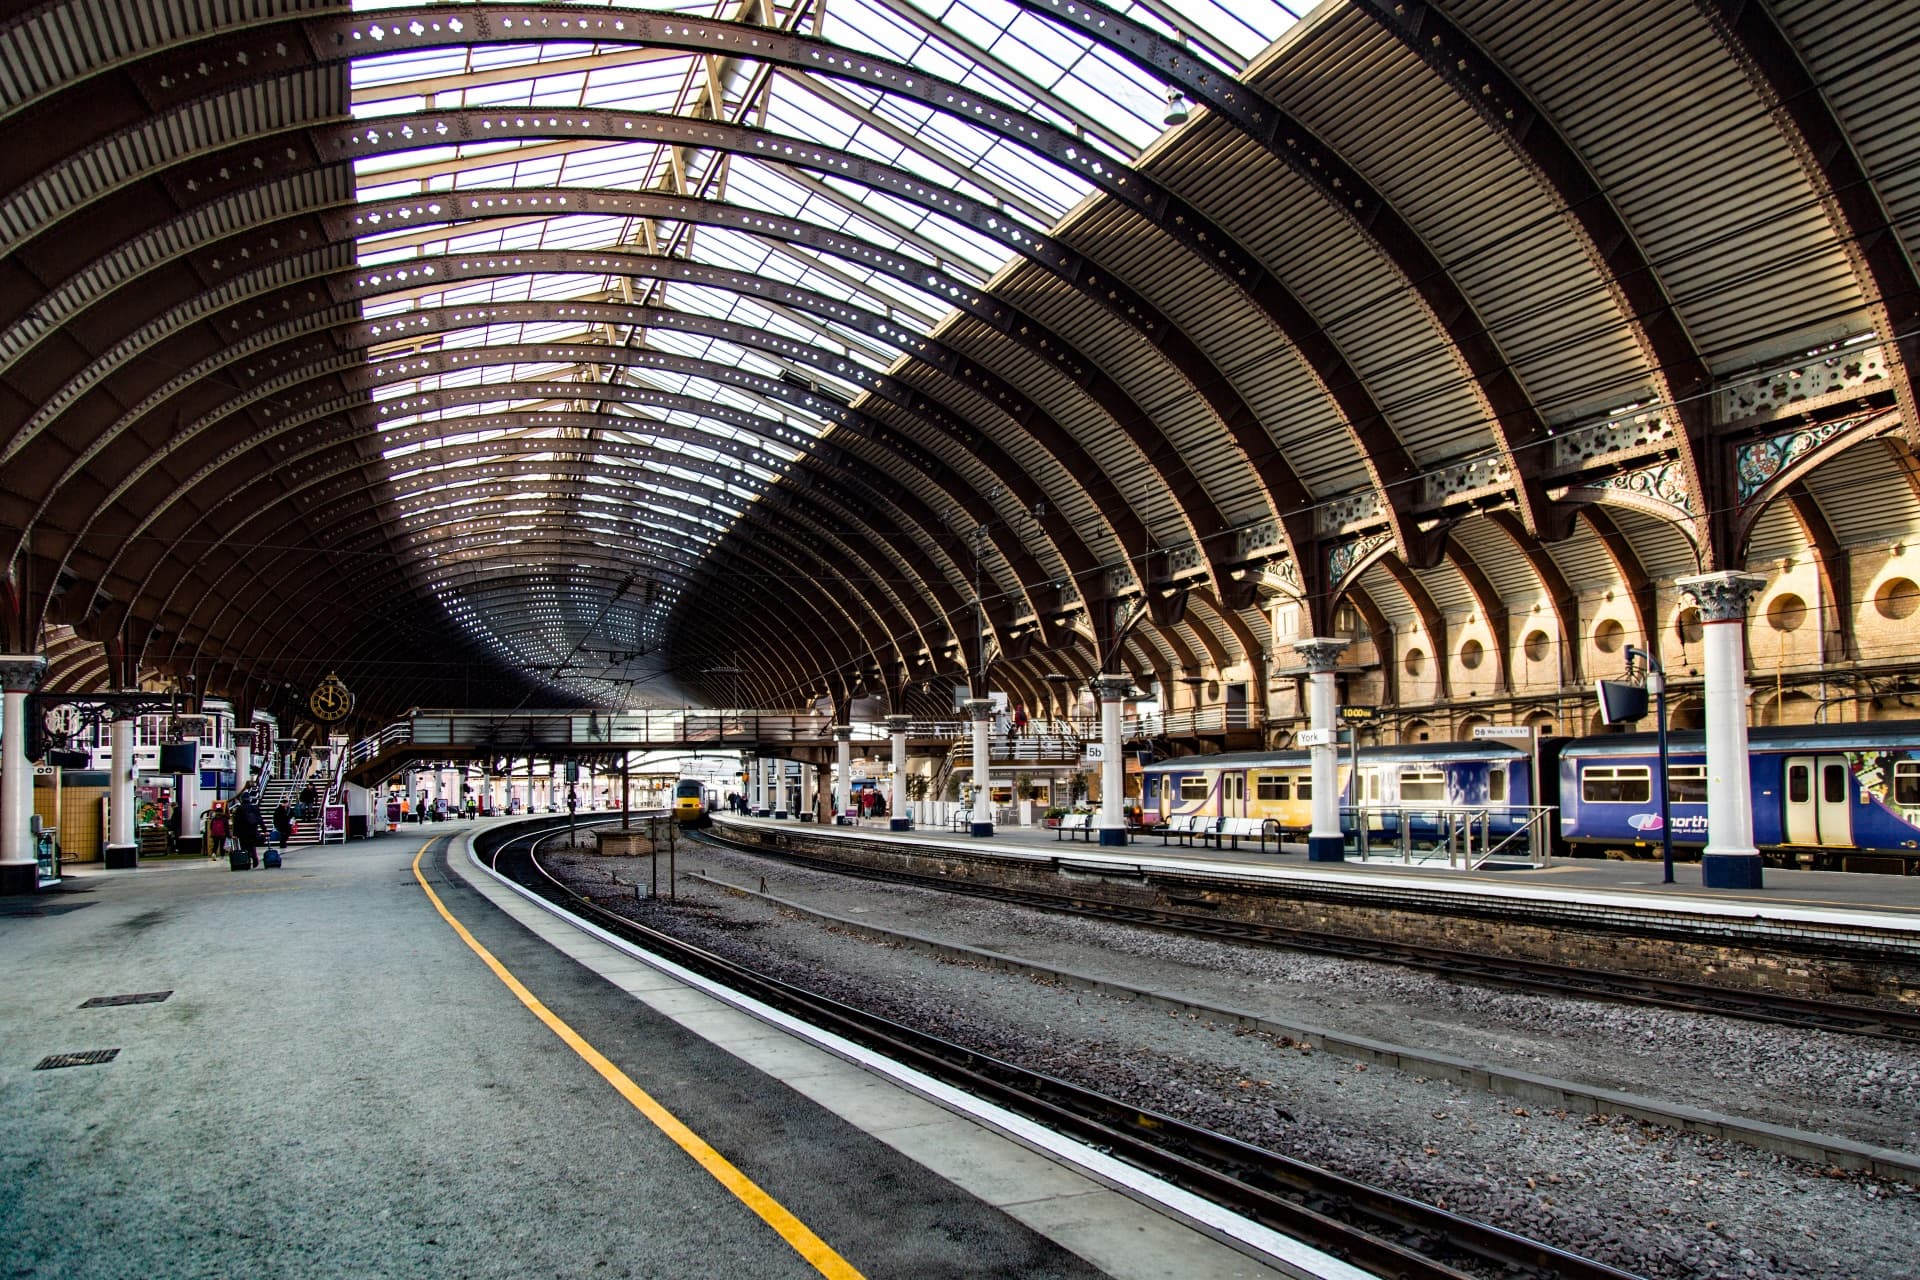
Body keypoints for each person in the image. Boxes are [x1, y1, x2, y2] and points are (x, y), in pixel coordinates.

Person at [233, 796, 263, 869]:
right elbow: (259, 819)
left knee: (244, 847)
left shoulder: (239, 809)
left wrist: (235, 834)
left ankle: (247, 861)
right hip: (253, 831)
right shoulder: (254, 808)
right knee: (252, 845)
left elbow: (236, 822)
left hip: (242, 832)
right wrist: (264, 829)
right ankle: (254, 857)